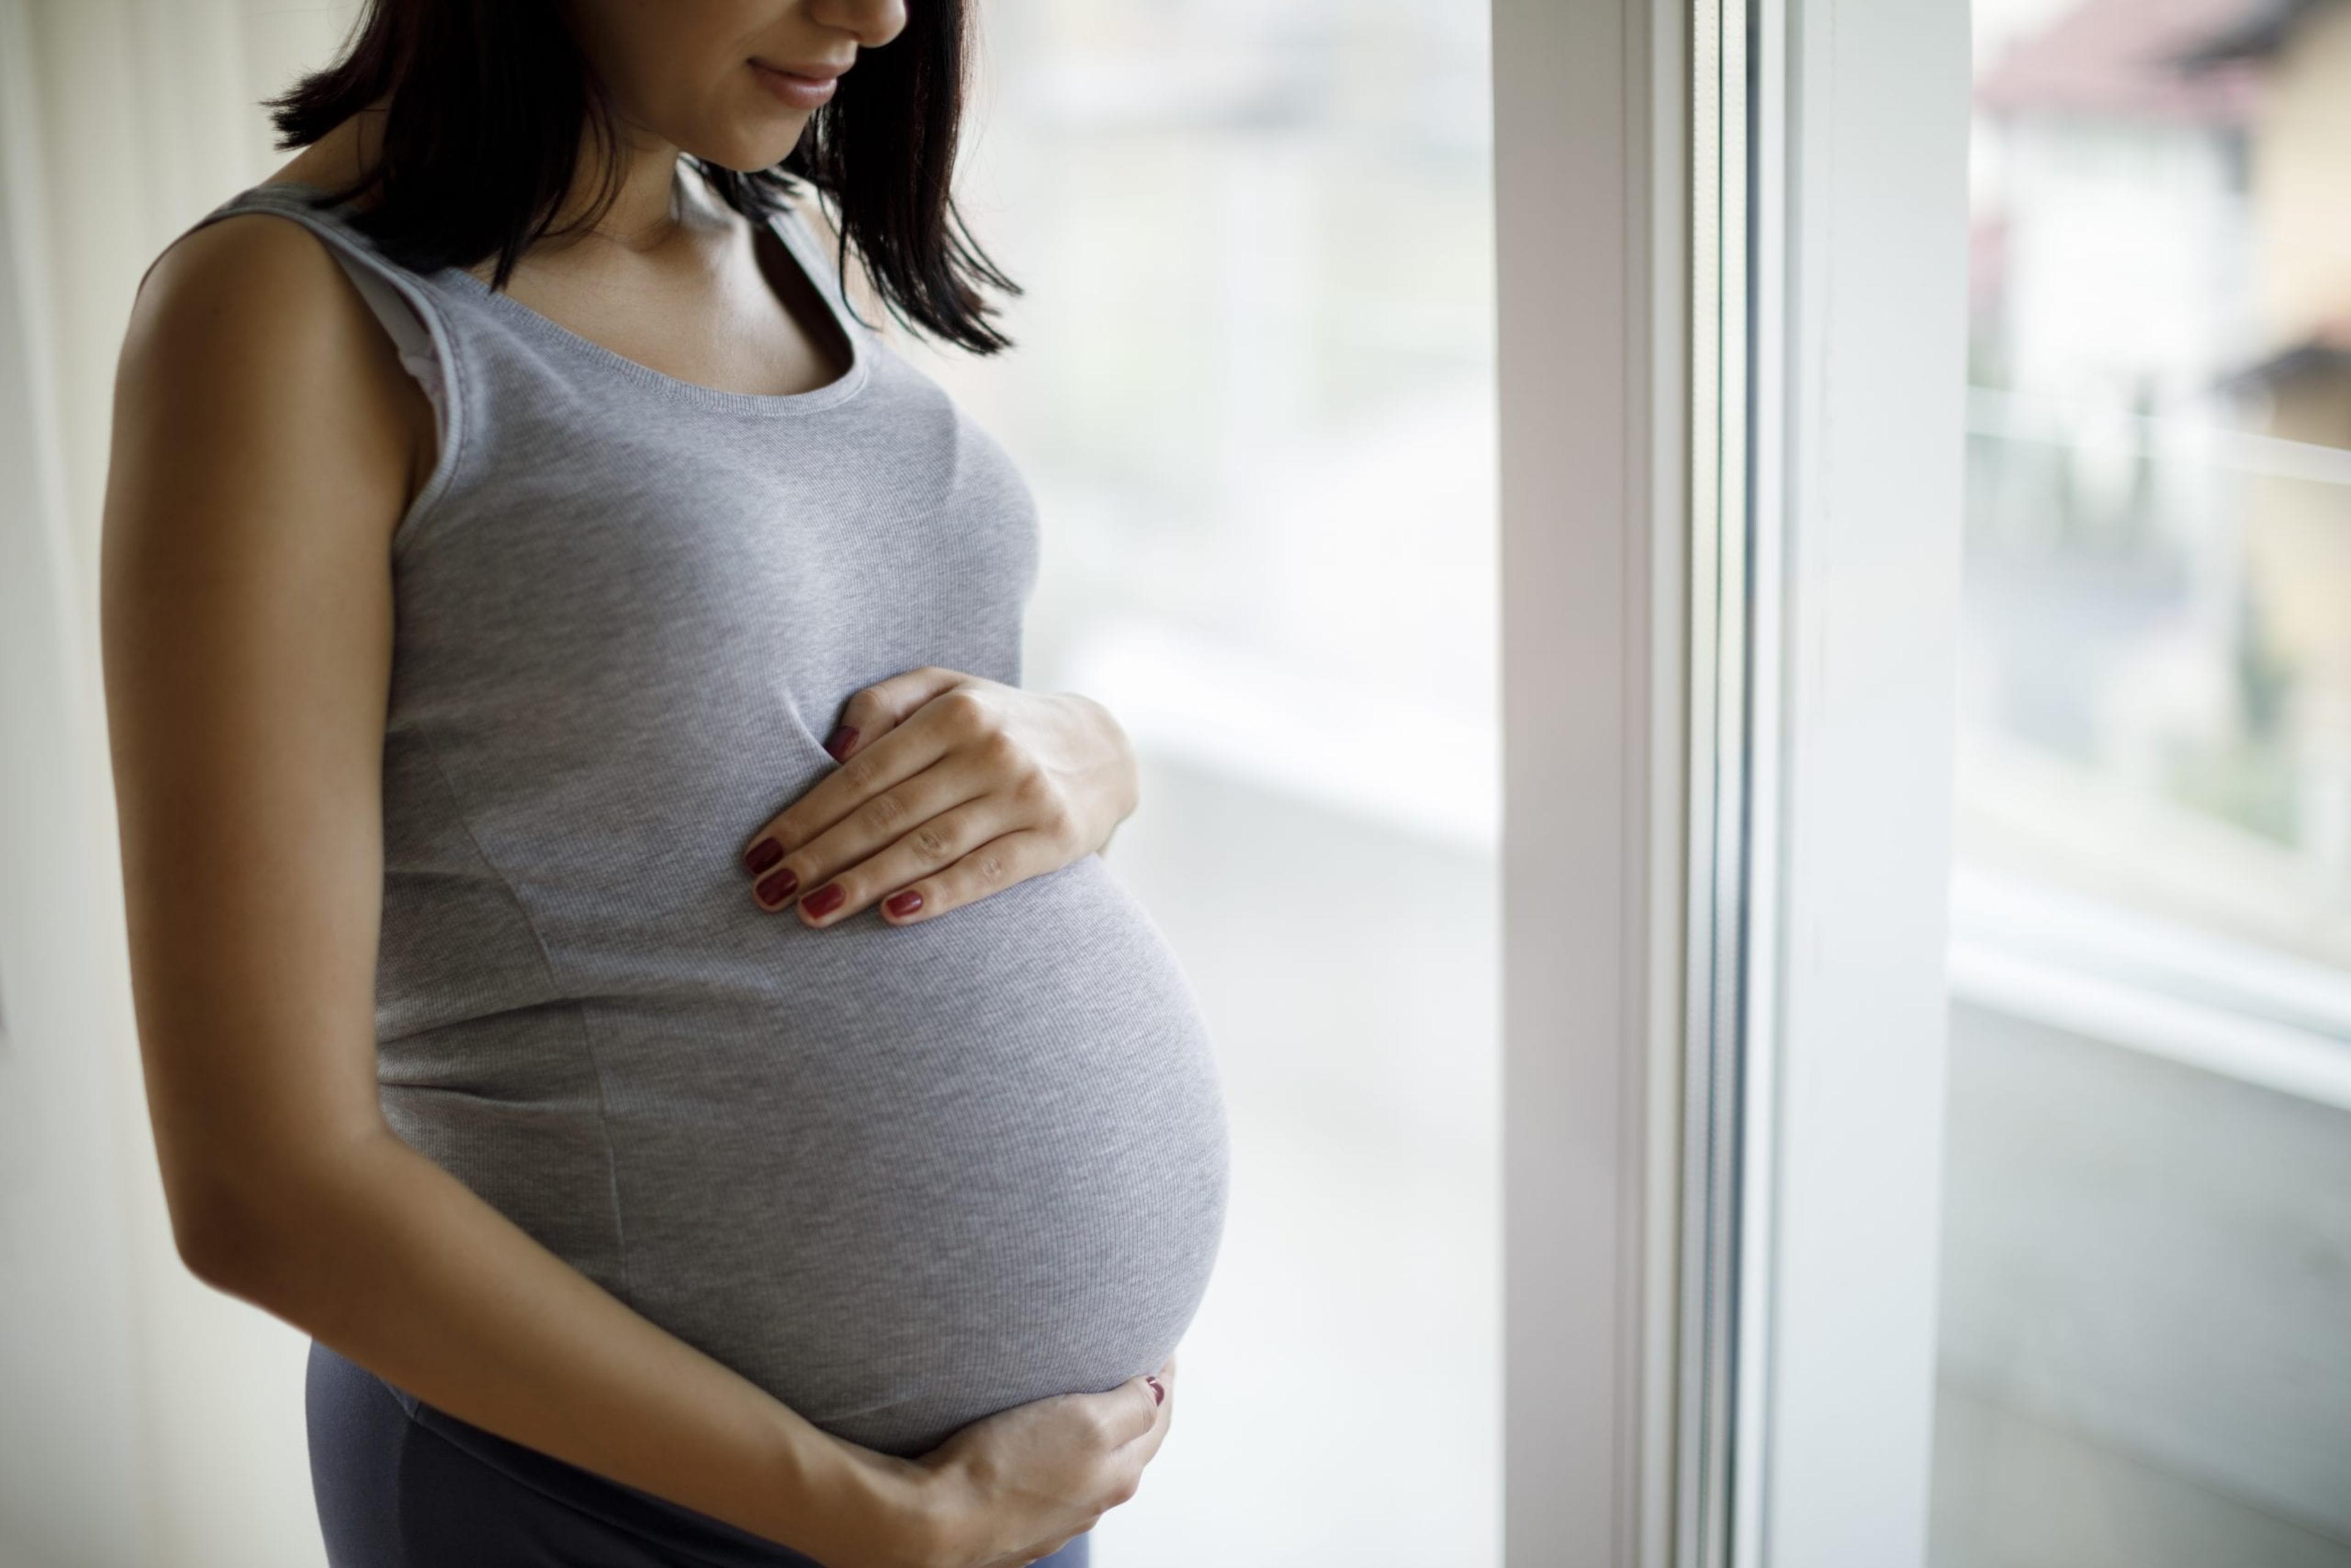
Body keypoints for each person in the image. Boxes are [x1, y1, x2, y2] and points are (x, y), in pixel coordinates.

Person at [97, 1, 1233, 1564]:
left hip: (996, 1503)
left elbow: (849, 724)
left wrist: (1090, 759)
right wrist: (886, 1519)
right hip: (619, 1504)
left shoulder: (796, 239)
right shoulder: (290, 313)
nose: (880, 13)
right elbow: (261, 1179)